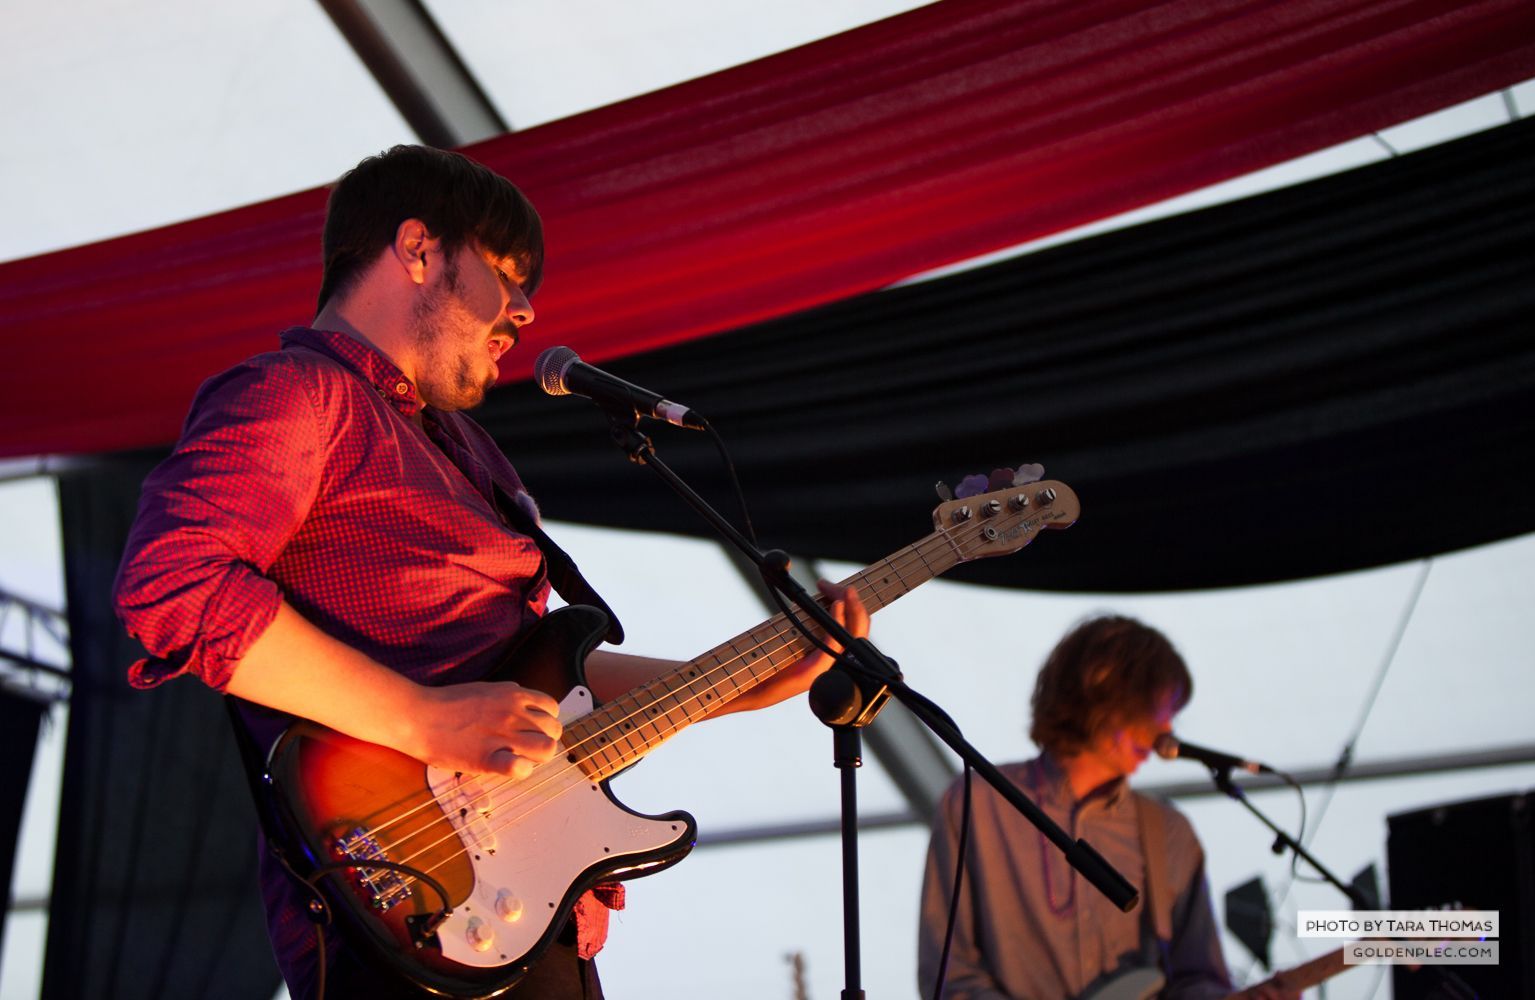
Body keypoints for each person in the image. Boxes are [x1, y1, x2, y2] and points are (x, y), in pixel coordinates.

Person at [113, 144, 868, 1000]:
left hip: (532, 904)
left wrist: (743, 682)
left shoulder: (473, 453)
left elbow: (534, 673)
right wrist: (422, 719)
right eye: (506, 273)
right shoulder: (297, 393)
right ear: (418, 249)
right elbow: (173, 584)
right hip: (409, 906)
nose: (526, 310)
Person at [916, 615, 1294, 1000]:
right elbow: (950, 976)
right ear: (1099, 685)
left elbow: (1197, 977)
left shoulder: (1170, 832)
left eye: (1171, 712)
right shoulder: (978, 803)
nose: (1166, 727)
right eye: (1155, 707)